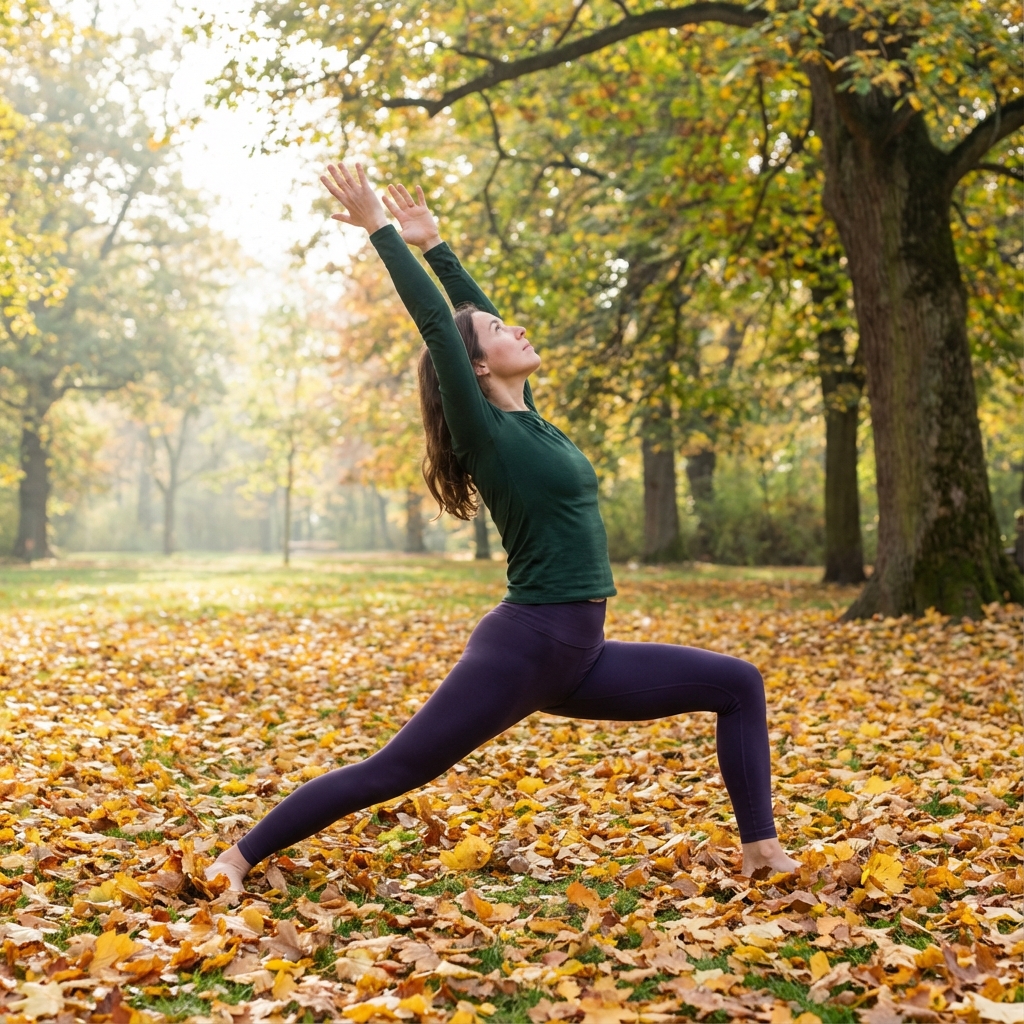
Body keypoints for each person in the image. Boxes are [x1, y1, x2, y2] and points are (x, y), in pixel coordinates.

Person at [206, 162, 798, 891]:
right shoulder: (486, 433)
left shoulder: (531, 421)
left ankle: (763, 852)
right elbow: (442, 327)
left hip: (580, 653)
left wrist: (439, 245)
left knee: (738, 684)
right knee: (396, 769)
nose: (513, 325)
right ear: (477, 368)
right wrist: (382, 233)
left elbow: (471, 317)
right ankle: (235, 859)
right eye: (497, 331)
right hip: (527, 646)